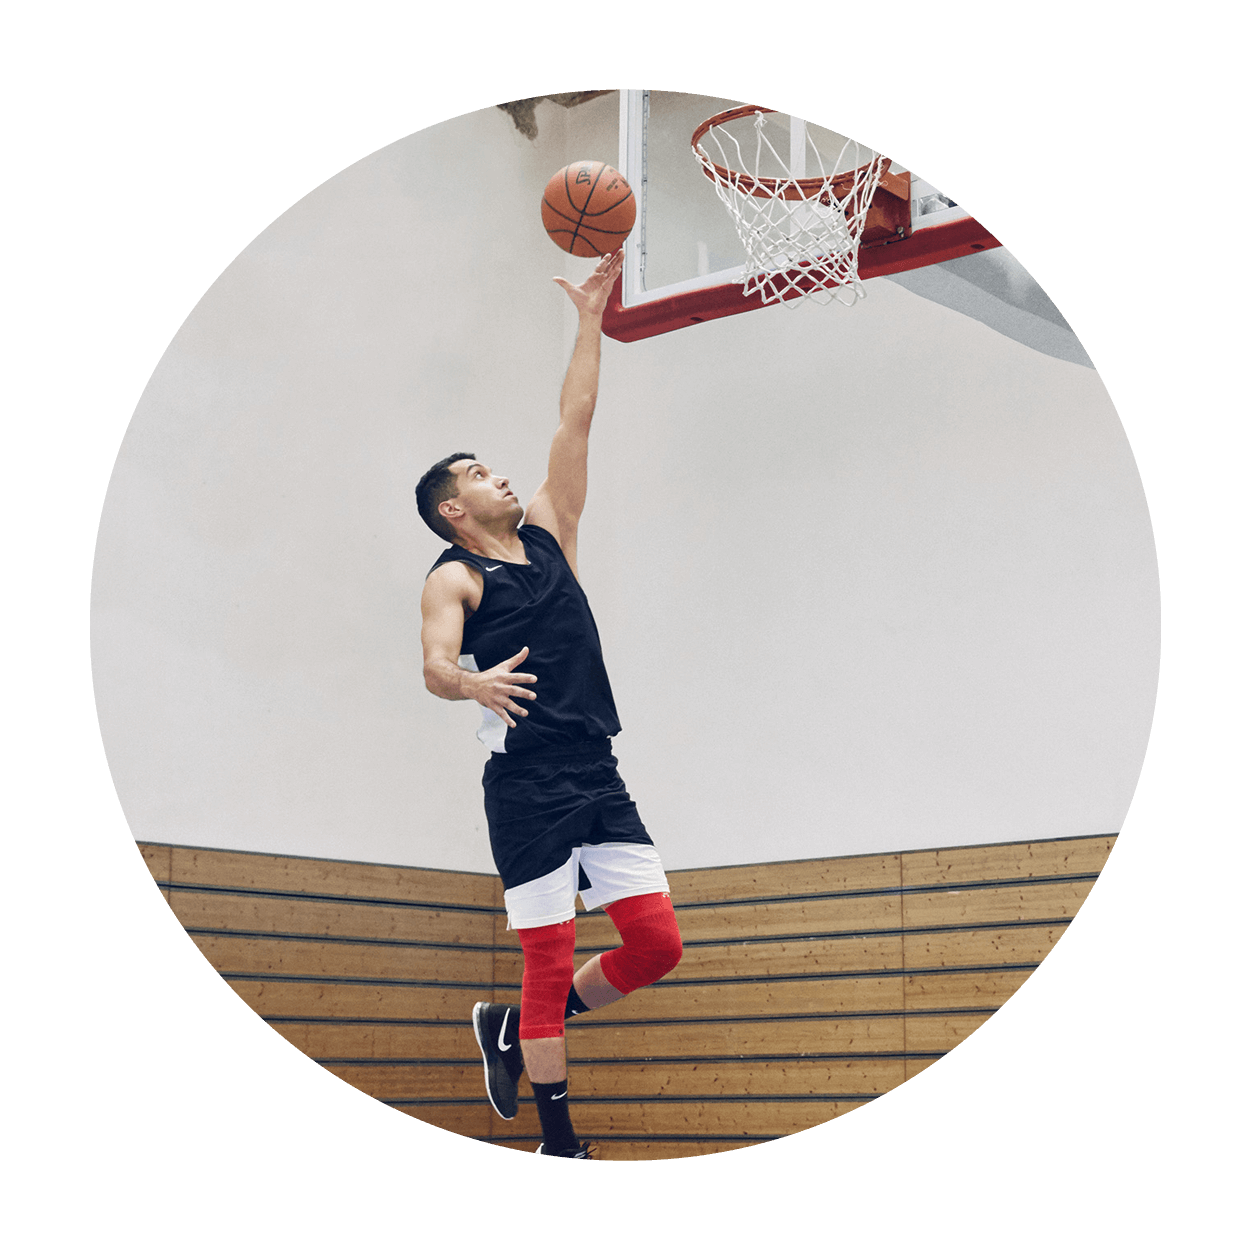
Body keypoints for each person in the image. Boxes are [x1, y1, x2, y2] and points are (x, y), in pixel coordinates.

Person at [415, 250, 683, 1160]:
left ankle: (512, 1027)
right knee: (544, 958)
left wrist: (588, 319)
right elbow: (433, 668)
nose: (498, 476)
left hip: (595, 766)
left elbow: (576, 417)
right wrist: (472, 683)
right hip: (525, 784)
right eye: (478, 475)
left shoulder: (551, 530)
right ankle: (559, 1143)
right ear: (454, 510)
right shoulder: (455, 576)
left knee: (655, 945)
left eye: (495, 468)